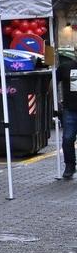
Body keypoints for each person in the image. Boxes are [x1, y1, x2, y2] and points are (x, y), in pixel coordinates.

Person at [55, 48, 76, 180]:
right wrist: (56, 103)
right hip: (70, 110)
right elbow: (53, 83)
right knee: (67, 139)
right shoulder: (65, 67)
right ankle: (70, 165)